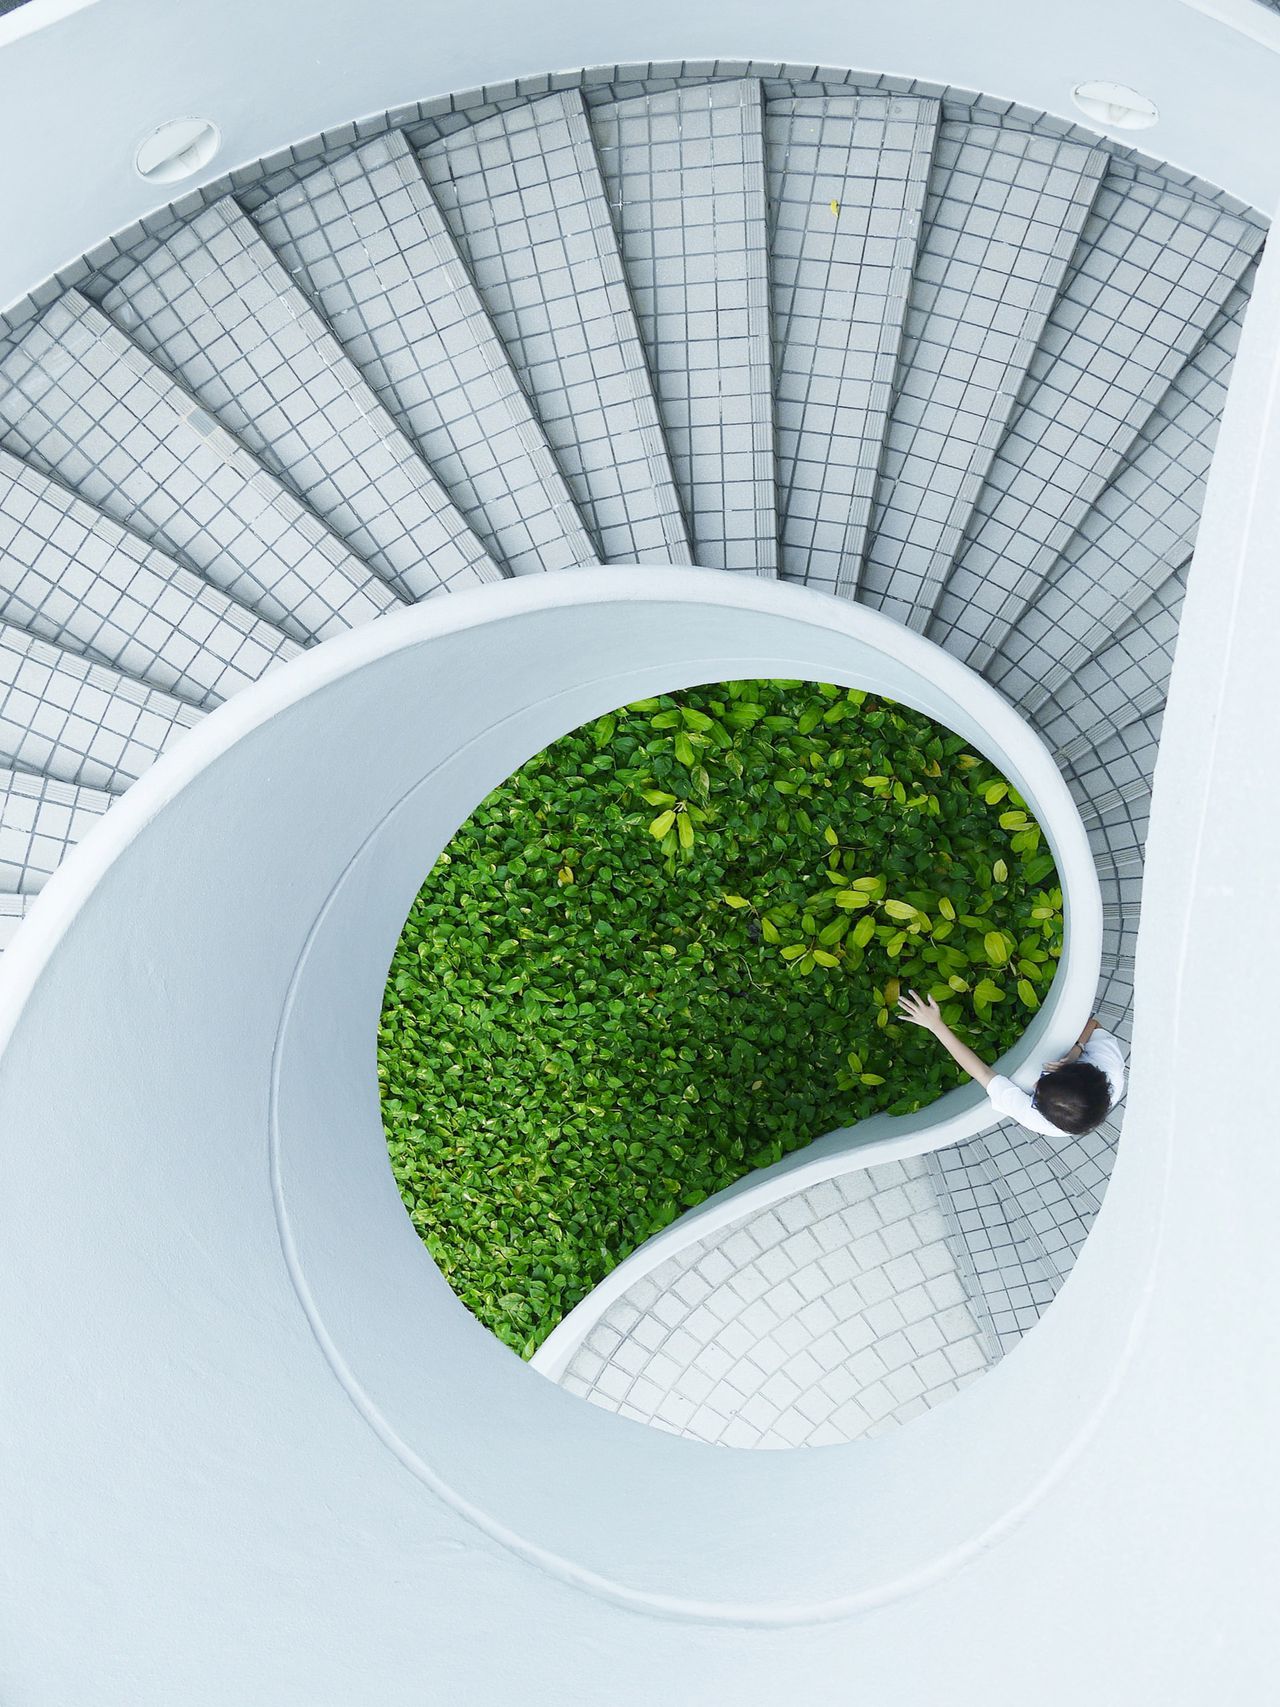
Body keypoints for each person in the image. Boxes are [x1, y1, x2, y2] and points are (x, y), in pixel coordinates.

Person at [896, 990, 1124, 1138]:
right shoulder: (1108, 1068)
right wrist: (1077, 1050)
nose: (1035, 1085)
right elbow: (1093, 1024)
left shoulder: (1036, 1119)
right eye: (1043, 1082)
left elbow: (982, 1073)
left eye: (1036, 1096)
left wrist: (936, 1026)